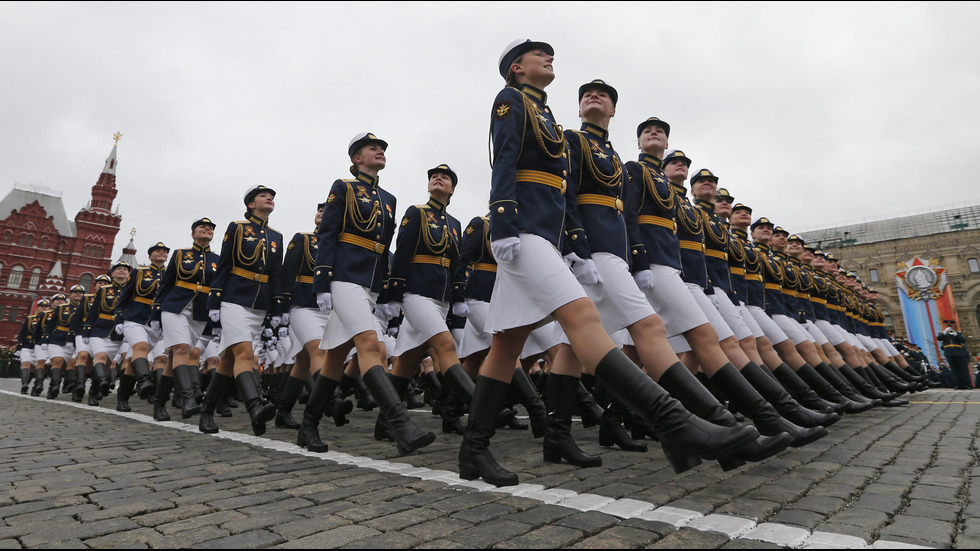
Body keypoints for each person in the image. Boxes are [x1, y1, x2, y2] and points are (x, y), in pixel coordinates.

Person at [463, 38, 768, 488]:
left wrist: (563, 239)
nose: (549, 57)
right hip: (523, 230)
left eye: (551, 52)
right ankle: (673, 422)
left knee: (507, 345)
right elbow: (503, 160)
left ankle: (475, 449)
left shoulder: (546, 114)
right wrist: (504, 219)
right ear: (516, 68)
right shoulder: (512, 101)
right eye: (537, 54)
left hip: (542, 233)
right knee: (583, 316)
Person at [303, 132, 435, 456]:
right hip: (345, 279)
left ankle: (307, 425)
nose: (380, 151)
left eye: (383, 149)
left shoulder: (388, 199)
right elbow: (328, 236)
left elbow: (384, 249)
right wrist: (322, 282)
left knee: (334, 359)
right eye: (372, 148)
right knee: (370, 345)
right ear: (356, 159)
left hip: (371, 285)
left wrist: (388, 293)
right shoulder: (343, 188)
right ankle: (399, 423)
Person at [386, 163, 477, 436]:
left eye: (445, 177)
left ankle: (385, 423)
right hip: (416, 292)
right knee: (446, 346)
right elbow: (402, 254)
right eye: (434, 176)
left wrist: (457, 297)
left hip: (442, 297)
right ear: (428, 186)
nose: (438, 178)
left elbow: (456, 264)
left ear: (452, 189)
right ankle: (481, 406)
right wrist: (394, 294)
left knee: (407, 360)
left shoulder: (455, 224)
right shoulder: (416, 213)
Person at [203, 185, 284, 436]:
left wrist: (277, 307)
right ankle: (255, 407)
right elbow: (224, 265)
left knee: (228, 361)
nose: (269, 198)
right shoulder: (237, 227)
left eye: (271, 196)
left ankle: (206, 410)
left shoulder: (276, 236)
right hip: (234, 298)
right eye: (263, 196)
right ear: (251, 204)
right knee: (245, 353)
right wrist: (215, 301)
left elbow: (276, 275)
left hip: (259, 304)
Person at [151, 218, 220, 419]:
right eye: (202, 227)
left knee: (175, 359)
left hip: (200, 312)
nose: (207, 229)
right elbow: (165, 284)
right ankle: (188, 398)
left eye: (210, 228)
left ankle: (159, 403)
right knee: (181, 349)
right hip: (175, 307)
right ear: (193, 234)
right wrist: (155, 313)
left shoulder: (218, 259)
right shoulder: (180, 254)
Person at [114, 242, 169, 415]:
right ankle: (145, 380)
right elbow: (125, 296)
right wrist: (118, 318)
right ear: (150, 256)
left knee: (131, 361)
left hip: (158, 324)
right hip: (135, 319)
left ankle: (122, 397)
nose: (161, 253)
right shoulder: (140, 272)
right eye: (157, 251)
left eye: (164, 251)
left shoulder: (170, 275)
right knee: (140, 348)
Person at [83, 262, 133, 406]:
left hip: (119, 332)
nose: (122, 271)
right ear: (112, 274)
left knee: (108, 365)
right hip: (99, 329)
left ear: (129, 274)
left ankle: (95, 389)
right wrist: (87, 329)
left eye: (125, 270)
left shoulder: (132, 290)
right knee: (100, 356)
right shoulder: (104, 290)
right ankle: (102, 383)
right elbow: (94, 311)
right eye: (119, 269)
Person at [938, 322, 971, 389]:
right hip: (949, 354)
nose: (949, 327)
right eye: (947, 325)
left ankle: (966, 384)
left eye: (950, 325)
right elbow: (938, 338)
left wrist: (955, 334)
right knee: (954, 370)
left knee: (963, 370)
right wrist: (945, 332)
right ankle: (957, 384)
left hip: (959, 353)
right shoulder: (943, 334)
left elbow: (963, 340)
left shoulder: (958, 333)